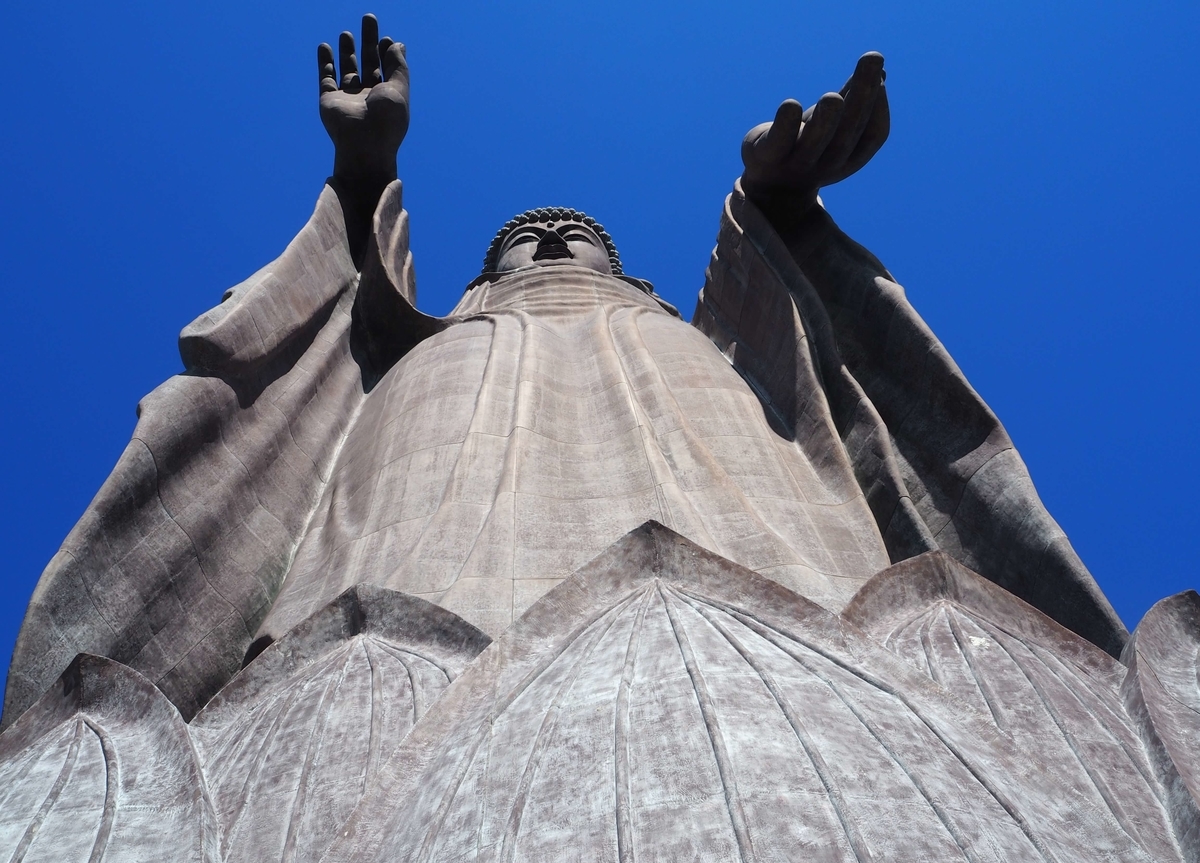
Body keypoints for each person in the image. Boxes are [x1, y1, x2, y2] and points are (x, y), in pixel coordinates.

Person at [3, 14, 1122, 728]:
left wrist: (773, 208)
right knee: (368, 645)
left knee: (802, 585)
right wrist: (361, 174)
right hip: (444, 425)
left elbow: (802, 352)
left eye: (575, 238)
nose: (548, 245)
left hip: (704, 433)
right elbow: (333, 326)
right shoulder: (418, 341)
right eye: (524, 240)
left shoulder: (707, 337)